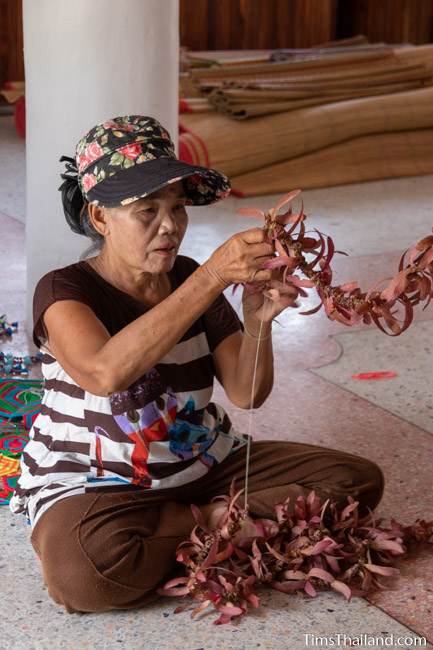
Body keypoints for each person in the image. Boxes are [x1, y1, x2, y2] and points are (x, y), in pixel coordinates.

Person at [9, 115, 384, 614]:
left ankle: (187, 523)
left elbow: (247, 392)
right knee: (87, 576)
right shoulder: (65, 290)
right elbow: (103, 372)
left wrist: (258, 321)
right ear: (100, 218)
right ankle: (211, 524)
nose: (171, 226)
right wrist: (210, 277)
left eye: (178, 208)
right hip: (98, 477)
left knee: (356, 480)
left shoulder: (188, 277)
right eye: (147, 210)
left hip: (200, 462)